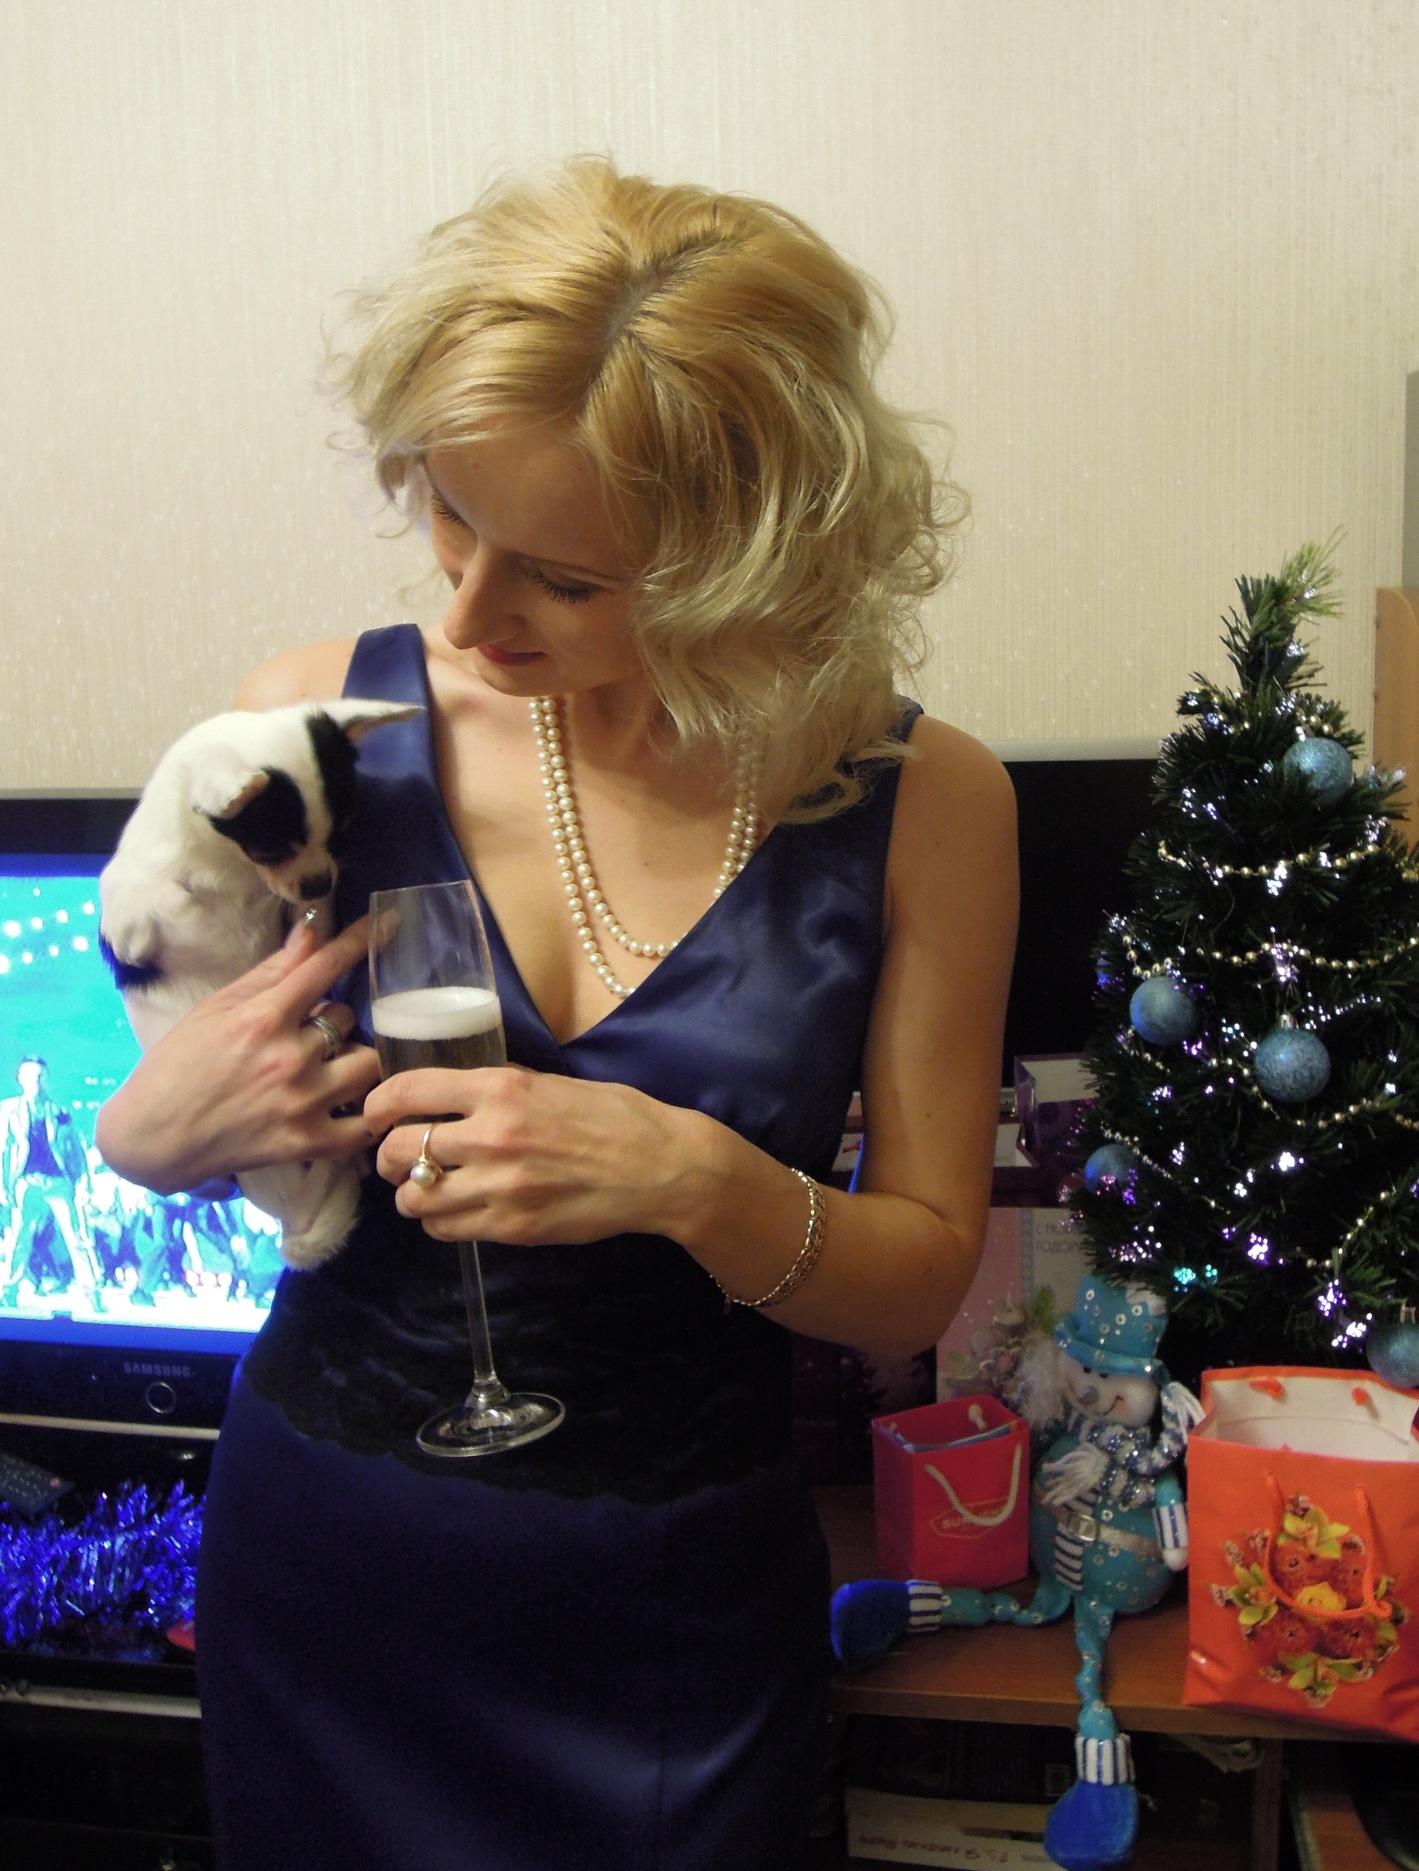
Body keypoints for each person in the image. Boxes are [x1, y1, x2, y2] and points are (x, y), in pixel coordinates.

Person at [97, 159, 1017, 1871]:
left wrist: (689, 1178)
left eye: (564, 579)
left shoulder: (926, 801)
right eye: (449, 515)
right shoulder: (310, 729)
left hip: (671, 1623)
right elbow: (195, 1083)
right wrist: (148, 1136)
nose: (464, 612)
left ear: (747, 560)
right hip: (331, 1577)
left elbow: (917, 1274)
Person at [0, 1055, 102, 1307]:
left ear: (47, 1079)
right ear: (21, 1078)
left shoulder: (59, 1111)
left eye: (40, 1076)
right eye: (31, 1076)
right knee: (19, 1238)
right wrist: (3, 1185)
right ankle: (9, 1290)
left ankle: (92, 1292)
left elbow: (76, 1150)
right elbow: (3, 1149)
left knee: (77, 1237)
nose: (36, 1081)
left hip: (57, 1180)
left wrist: (83, 1182)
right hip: (25, 1180)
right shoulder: (8, 1110)